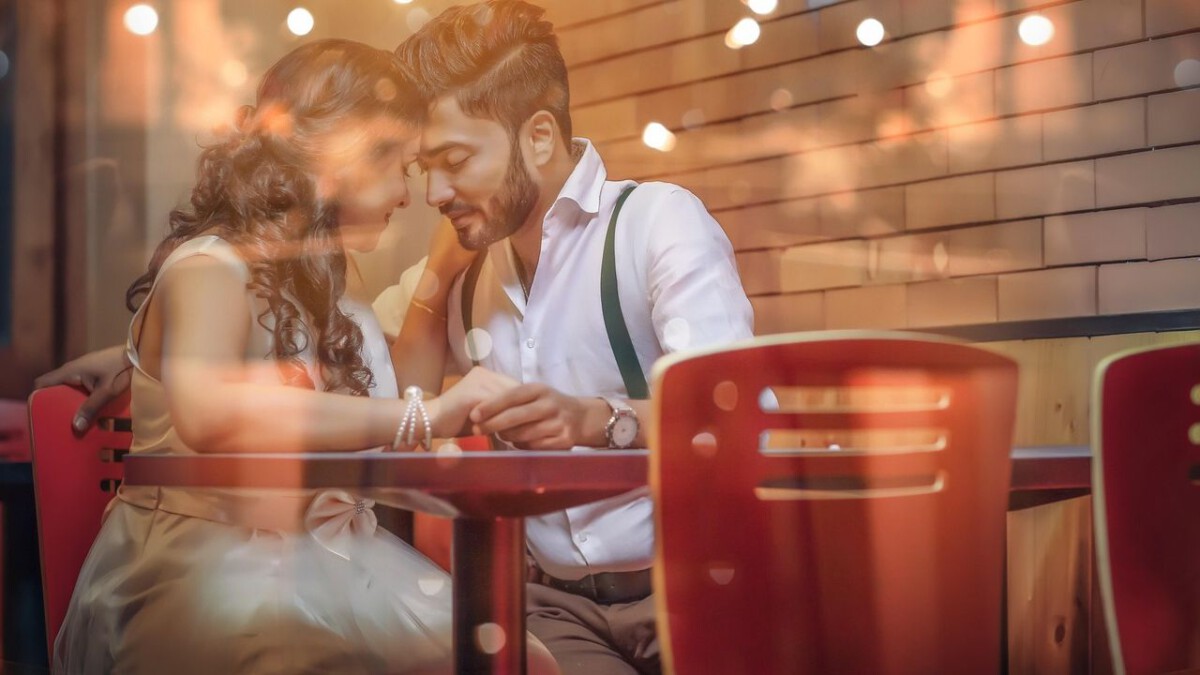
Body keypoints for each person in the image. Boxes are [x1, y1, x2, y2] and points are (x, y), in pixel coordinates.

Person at [46, 38, 558, 675]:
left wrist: (439, 280)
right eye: (400, 165)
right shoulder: (209, 266)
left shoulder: (340, 295)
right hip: (208, 569)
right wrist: (430, 415)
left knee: (523, 661)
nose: (410, 194)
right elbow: (208, 412)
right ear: (339, 159)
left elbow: (396, 424)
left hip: (336, 562)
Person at [385, 3, 755, 673]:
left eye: (455, 160)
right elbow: (399, 404)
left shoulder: (655, 223)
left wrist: (595, 417)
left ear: (539, 136)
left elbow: (729, 418)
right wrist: (438, 269)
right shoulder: (466, 270)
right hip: (551, 608)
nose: (435, 191)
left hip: (692, 583)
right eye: (423, 169)